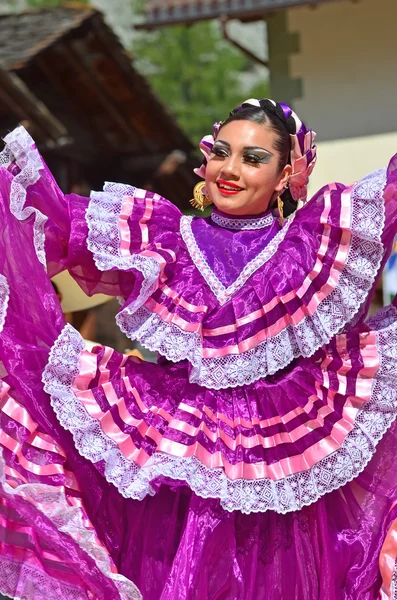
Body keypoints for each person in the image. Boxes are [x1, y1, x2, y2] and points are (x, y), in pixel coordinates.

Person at [0, 98, 397, 600]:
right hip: (175, 470)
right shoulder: (161, 234)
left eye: (253, 159)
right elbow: (49, 221)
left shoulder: (311, 247)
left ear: (286, 176)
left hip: (277, 471)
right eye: (221, 153)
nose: (230, 170)